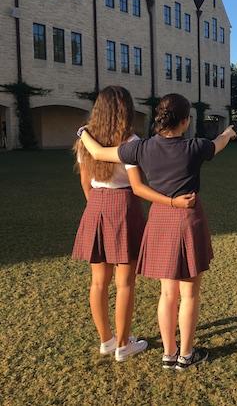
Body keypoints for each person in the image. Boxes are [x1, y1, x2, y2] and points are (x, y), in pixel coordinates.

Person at [79, 93, 237, 370]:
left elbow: (98, 153)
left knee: (167, 294)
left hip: (159, 220)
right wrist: (229, 132)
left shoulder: (141, 148)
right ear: (186, 121)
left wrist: (83, 132)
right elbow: (218, 143)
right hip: (188, 219)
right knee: (188, 295)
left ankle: (168, 353)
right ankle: (186, 355)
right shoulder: (195, 147)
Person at [72, 86, 196, 362]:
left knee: (98, 283)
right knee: (125, 283)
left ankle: (107, 340)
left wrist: (97, 206)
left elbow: (85, 183)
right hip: (124, 206)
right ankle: (123, 344)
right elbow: (137, 185)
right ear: (125, 110)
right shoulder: (131, 140)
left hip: (95, 205)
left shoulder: (86, 140)